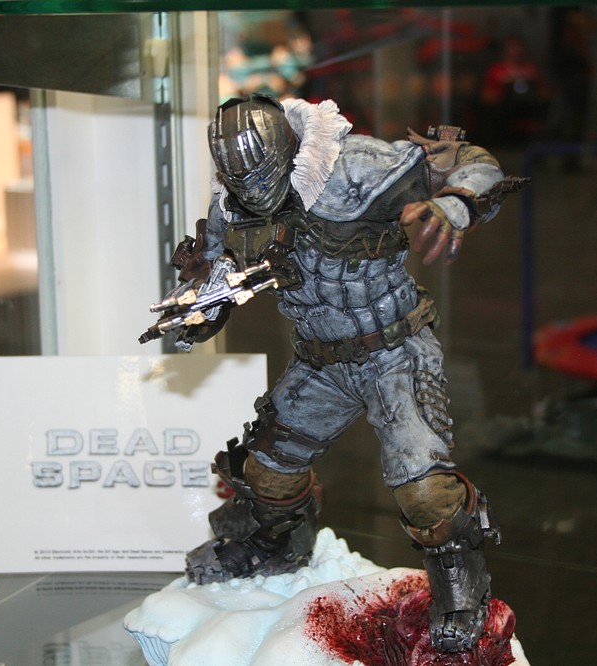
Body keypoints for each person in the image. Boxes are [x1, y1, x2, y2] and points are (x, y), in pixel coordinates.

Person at [165, 94, 522, 653]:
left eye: (260, 177)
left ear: (287, 153)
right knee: (267, 473)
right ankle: (279, 545)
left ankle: (461, 586)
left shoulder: (356, 167)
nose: (252, 192)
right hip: (321, 360)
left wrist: (456, 203)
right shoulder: (231, 207)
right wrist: (198, 311)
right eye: (239, 182)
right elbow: (215, 276)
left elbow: (474, 163)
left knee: (424, 490)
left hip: (395, 350)